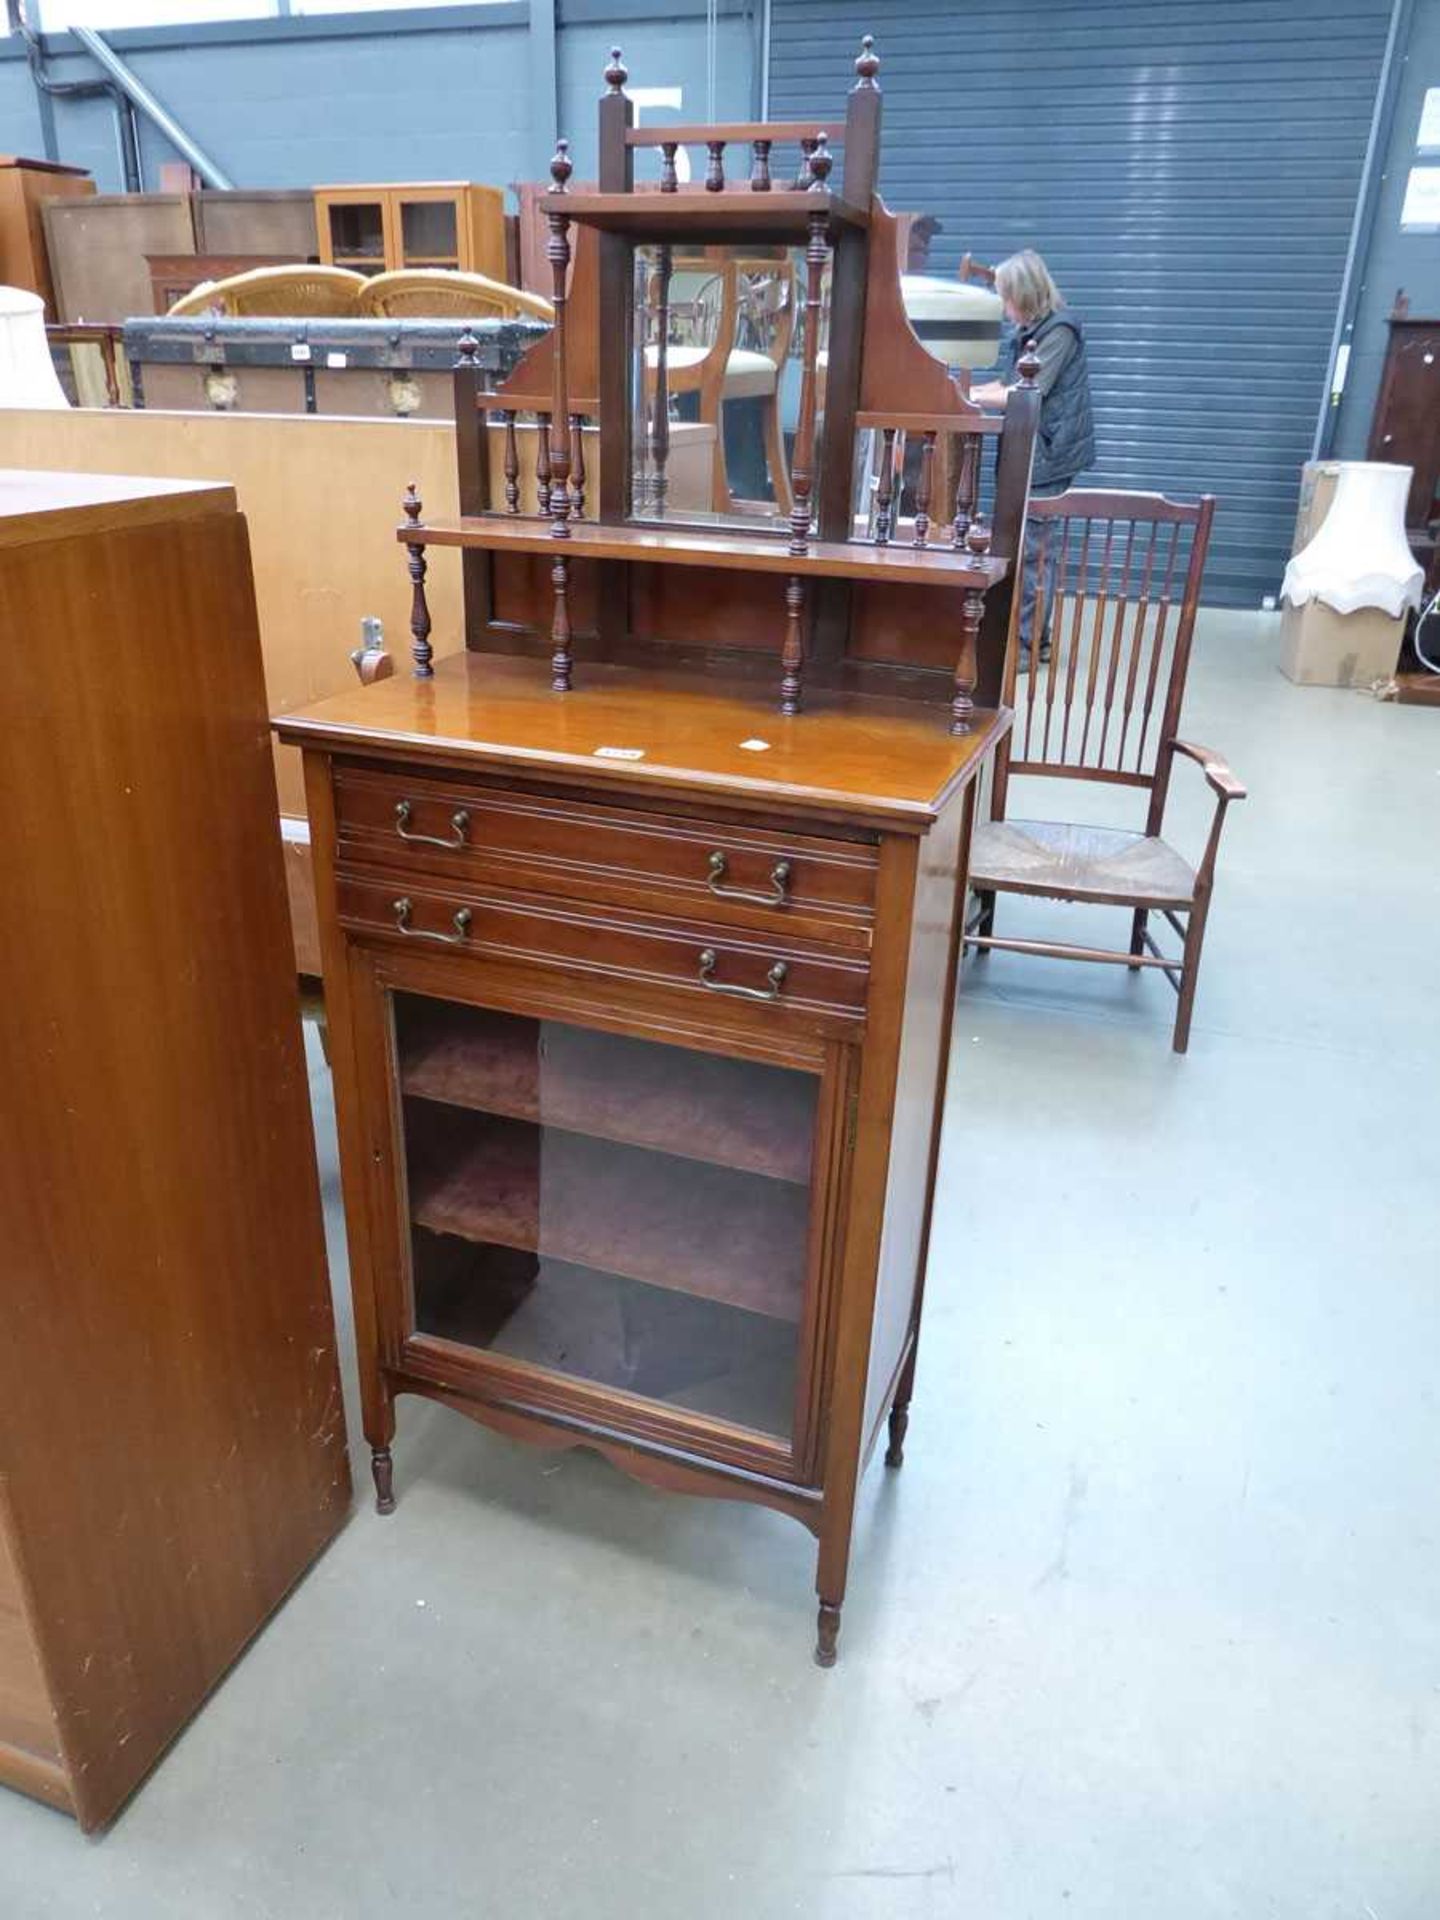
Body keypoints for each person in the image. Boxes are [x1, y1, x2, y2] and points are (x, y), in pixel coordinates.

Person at [972, 249, 1095, 667]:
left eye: (1005, 297)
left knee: (1035, 554)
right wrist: (966, 391)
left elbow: (1027, 392)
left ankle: (1025, 649)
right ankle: (1032, 641)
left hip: (1048, 452)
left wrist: (966, 398)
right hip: (1037, 450)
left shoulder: (1058, 332)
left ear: (1023, 295)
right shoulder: (1032, 331)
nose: (1003, 307)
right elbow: (1007, 382)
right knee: (1032, 550)